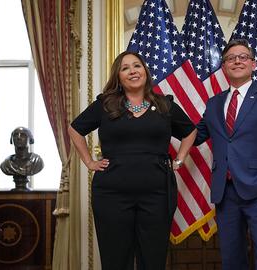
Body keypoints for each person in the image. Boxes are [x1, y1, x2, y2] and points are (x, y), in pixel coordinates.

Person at [68, 51, 196, 270]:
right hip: (111, 194)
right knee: (115, 258)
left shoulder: (165, 105)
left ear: (145, 71)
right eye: (125, 68)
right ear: (118, 76)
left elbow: (190, 131)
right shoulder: (105, 104)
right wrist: (89, 162)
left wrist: (180, 159)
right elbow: (75, 129)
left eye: (137, 66)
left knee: (153, 258)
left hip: (157, 193)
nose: (132, 71)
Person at [195, 39, 257, 270]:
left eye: (243, 57)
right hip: (225, 192)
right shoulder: (214, 104)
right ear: (224, 67)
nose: (237, 61)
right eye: (231, 58)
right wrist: (162, 114)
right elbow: (196, 135)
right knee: (232, 260)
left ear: (253, 64)